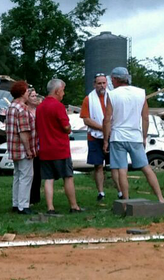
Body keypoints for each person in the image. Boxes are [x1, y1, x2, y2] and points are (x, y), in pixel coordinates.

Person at [102, 66, 164, 207]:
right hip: (135, 136)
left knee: (121, 170)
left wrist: (106, 140)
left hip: (118, 136)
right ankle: (161, 199)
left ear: (115, 79)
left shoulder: (112, 95)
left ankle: (125, 203)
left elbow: (107, 119)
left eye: (112, 79)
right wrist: (144, 137)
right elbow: (145, 118)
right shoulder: (140, 93)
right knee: (146, 168)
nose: (111, 82)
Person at [36, 78, 84, 214]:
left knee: (48, 179)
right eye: (63, 90)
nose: (63, 94)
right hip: (60, 149)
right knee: (68, 177)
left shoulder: (40, 107)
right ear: (57, 91)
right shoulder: (58, 106)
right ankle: (74, 206)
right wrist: (69, 129)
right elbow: (66, 126)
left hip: (45, 149)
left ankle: (50, 207)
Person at [80, 72, 112, 202]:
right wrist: (103, 128)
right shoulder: (89, 99)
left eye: (104, 83)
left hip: (112, 135)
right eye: (99, 83)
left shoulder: (112, 97)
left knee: (115, 165)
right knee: (98, 165)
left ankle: (121, 191)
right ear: (94, 84)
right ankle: (101, 192)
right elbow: (86, 120)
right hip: (95, 136)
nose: (102, 86)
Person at [4, 80, 36, 215]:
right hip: (22, 148)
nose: (29, 93)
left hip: (13, 146)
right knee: (26, 176)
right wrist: (29, 149)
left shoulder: (12, 107)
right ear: (23, 93)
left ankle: (16, 203)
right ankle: (23, 205)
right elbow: (24, 131)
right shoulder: (22, 109)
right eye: (27, 91)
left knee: (17, 175)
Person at [25, 87, 43, 206]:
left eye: (36, 96)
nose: (35, 98)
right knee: (28, 172)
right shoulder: (25, 111)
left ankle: (36, 196)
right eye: (32, 96)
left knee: (37, 172)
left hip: (39, 143)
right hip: (29, 141)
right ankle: (28, 196)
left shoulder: (39, 110)